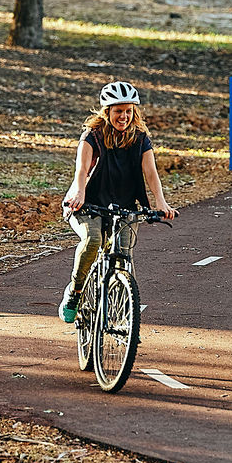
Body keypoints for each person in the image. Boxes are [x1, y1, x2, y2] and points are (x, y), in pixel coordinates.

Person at [60, 80, 176, 322]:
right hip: (88, 203)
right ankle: (75, 291)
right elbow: (81, 170)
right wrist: (79, 193)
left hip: (123, 206)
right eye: (118, 111)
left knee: (123, 253)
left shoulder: (141, 138)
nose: (123, 116)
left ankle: (122, 307)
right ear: (107, 112)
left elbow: (151, 174)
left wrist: (161, 203)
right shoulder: (92, 136)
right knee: (93, 240)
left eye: (128, 111)